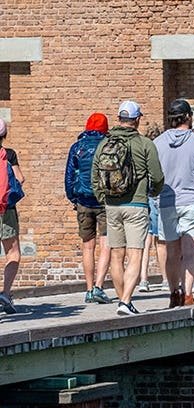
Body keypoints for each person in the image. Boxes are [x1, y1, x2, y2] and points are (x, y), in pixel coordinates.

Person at [91, 100, 164, 315]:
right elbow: (157, 176)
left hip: (111, 205)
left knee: (116, 254)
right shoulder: (144, 144)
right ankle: (125, 301)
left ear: (119, 119)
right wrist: (154, 192)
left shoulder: (104, 143)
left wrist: (102, 196)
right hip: (137, 204)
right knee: (135, 254)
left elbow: (95, 174)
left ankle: (123, 300)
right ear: (138, 119)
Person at [154, 99, 194, 307]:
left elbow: (152, 176)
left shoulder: (157, 143)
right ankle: (188, 294)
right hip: (193, 201)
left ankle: (174, 292)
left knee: (172, 253)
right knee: (190, 253)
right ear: (188, 117)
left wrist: (154, 199)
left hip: (166, 201)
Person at [65, 112, 114, 305]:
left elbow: (69, 176)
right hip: (105, 201)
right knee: (106, 244)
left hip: (83, 200)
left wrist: (73, 198)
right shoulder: (108, 146)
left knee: (87, 246)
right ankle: (99, 287)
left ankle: (87, 288)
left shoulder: (77, 147)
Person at [0, 120, 24, 314]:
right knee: (13, 252)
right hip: (6, 209)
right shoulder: (8, 154)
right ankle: (5, 293)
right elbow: (20, 178)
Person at [137, 121, 164, 294]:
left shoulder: (143, 149)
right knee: (161, 240)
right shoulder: (159, 150)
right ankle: (166, 279)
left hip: (144, 196)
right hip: (159, 195)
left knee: (146, 241)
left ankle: (143, 279)